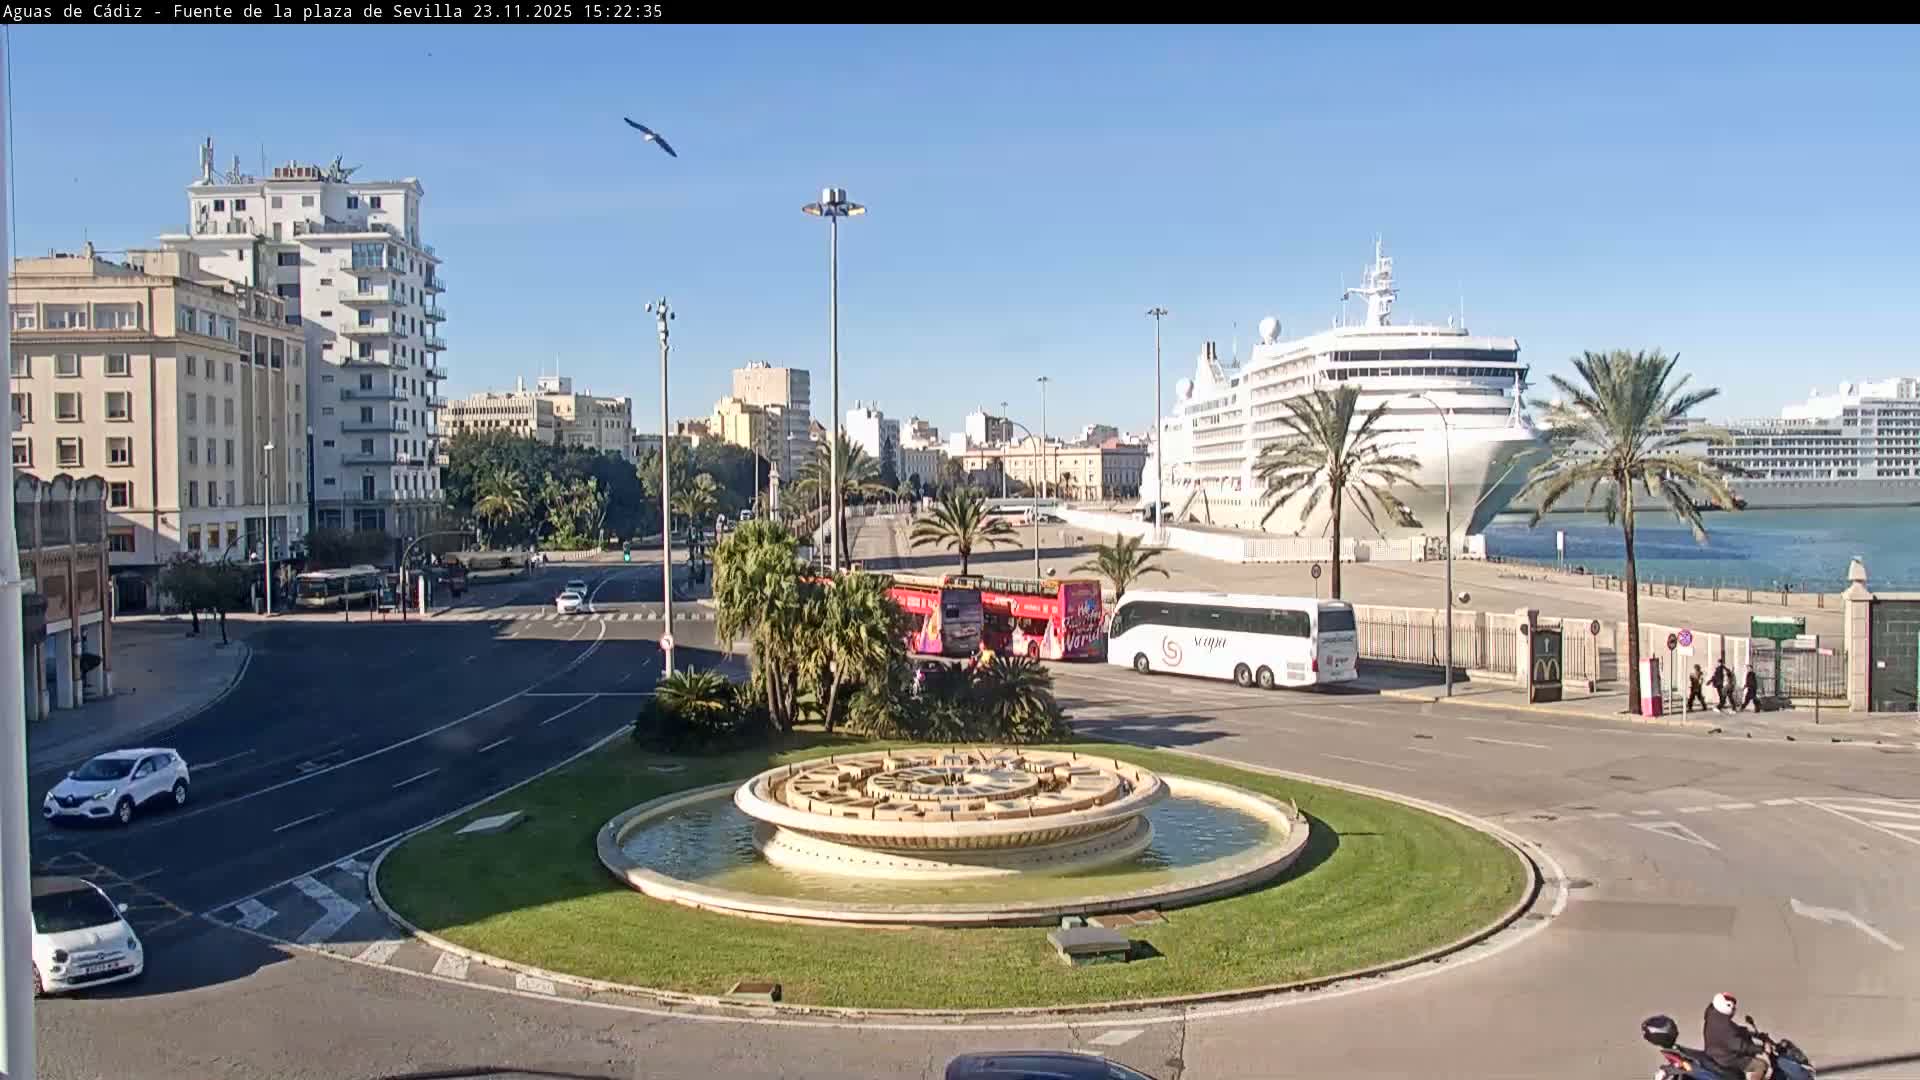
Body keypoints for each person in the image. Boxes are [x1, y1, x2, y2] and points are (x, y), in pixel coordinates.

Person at [1703, 992, 1769, 1080]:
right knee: (1761, 1065)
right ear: (1726, 1006)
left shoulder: (1714, 1015)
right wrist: (1761, 1049)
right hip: (1725, 1058)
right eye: (1733, 1008)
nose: (1734, 1010)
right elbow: (1738, 1045)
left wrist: (1750, 1032)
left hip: (1715, 1053)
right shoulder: (1724, 1024)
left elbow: (1733, 1030)